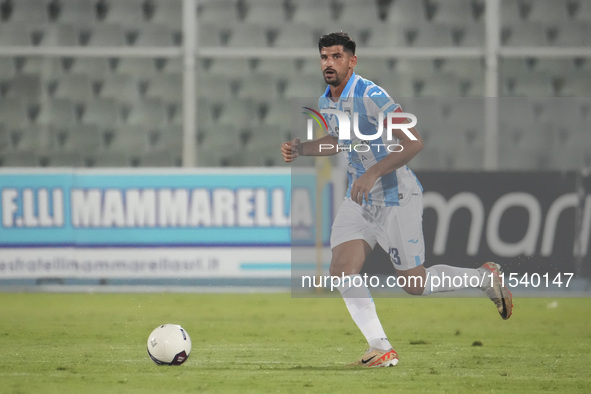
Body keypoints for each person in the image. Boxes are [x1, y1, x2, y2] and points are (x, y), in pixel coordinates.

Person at [281, 32, 513, 368]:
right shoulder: (328, 101)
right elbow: (339, 140)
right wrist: (304, 148)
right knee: (341, 269)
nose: (328, 63)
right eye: (324, 57)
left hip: (395, 195)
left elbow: (414, 142)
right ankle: (380, 347)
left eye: (336, 57)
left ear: (352, 60)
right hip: (359, 197)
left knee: (414, 283)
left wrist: (373, 173)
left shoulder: (372, 95)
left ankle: (483, 277)